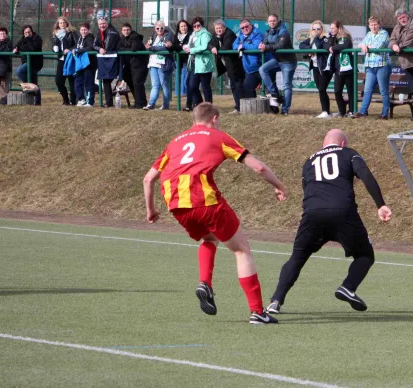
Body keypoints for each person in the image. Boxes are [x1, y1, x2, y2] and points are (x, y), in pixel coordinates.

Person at [143, 103, 287, 325]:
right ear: (215, 118)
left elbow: (148, 178)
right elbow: (258, 167)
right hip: (204, 201)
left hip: (176, 205)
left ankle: (205, 283)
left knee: (209, 237)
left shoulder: (175, 141)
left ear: (193, 121)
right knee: (241, 250)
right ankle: (257, 311)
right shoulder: (217, 136)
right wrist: (279, 185)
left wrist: (151, 210)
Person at [267, 128, 392, 314]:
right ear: (343, 144)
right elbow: (366, 175)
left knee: (297, 258)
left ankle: (275, 301)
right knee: (365, 255)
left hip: (312, 214)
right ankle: (348, 287)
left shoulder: (308, 161)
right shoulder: (349, 153)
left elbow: (307, 189)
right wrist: (380, 204)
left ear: (323, 145)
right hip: (343, 212)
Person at [258, 14, 297, 115]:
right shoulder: (268, 32)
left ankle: (285, 110)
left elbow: (281, 45)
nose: (272, 22)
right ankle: (275, 94)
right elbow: (265, 42)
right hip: (277, 60)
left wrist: (266, 47)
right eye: (270, 21)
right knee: (262, 69)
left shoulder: (284, 30)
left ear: (277, 21)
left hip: (288, 61)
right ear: (268, 22)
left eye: (274, 20)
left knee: (286, 86)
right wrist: (261, 45)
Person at [353, 16, 391, 120]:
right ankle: (362, 112)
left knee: (383, 91)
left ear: (379, 25)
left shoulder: (384, 33)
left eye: (375, 24)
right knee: (367, 90)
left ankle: (384, 114)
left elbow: (378, 46)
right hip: (370, 66)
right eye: (371, 25)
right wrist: (363, 45)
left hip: (382, 65)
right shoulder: (369, 34)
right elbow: (361, 44)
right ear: (369, 26)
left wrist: (366, 46)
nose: (373, 27)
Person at [299, 20, 332, 118]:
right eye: (314, 29)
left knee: (322, 88)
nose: (316, 30)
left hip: (325, 67)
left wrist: (316, 39)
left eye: (319, 28)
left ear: (322, 29)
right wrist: (310, 49)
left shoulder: (325, 38)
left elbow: (322, 46)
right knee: (321, 89)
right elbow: (301, 46)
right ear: (311, 30)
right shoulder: (310, 39)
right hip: (315, 67)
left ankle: (325, 112)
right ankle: (326, 111)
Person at [210, 19, 245, 114]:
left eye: (220, 28)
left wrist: (216, 47)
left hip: (235, 65)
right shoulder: (215, 35)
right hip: (227, 65)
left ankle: (240, 107)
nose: (218, 30)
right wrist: (212, 47)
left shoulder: (229, 34)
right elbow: (209, 44)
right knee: (234, 86)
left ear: (224, 27)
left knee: (237, 85)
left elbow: (225, 47)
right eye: (217, 28)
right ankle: (239, 106)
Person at [144, 21, 175, 110]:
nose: (160, 30)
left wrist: (152, 48)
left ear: (164, 28)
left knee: (164, 84)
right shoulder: (153, 36)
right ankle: (151, 104)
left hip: (163, 63)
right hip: (153, 62)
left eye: (161, 28)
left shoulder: (168, 35)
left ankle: (165, 105)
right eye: (157, 28)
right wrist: (148, 46)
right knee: (155, 85)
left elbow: (165, 47)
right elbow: (150, 46)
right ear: (155, 29)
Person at [327, 20, 355, 118]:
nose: (331, 30)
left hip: (348, 69)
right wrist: (331, 43)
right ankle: (342, 111)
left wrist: (334, 48)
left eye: (333, 28)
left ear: (339, 28)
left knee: (350, 91)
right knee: (337, 91)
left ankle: (351, 111)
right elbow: (327, 45)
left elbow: (345, 45)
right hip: (337, 69)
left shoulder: (346, 36)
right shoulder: (331, 37)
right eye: (330, 28)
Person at [117, 23, 148, 109]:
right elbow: (118, 48)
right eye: (124, 30)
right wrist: (125, 49)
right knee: (129, 80)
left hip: (140, 64)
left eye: (128, 30)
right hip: (129, 65)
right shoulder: (122, 38)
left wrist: (124, 49)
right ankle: (141, 101)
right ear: (121, 31)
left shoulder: (135, 37)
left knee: (137, 83)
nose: (126, 32)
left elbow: (134, 49)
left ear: (130, 30)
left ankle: (139, 103)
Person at [185, 17, 214, 108]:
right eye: (194, 26)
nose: (196, 27)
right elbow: (189, 46)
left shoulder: (205, 34)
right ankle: (200, 104)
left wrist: (192, 50)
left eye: (198, 25)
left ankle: (209, 106)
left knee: (205, 86)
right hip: (194, 64)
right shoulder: (193, 35)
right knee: (192, 86)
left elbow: (204, 46)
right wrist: (185, 48)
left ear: (202, 25)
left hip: (204, 63)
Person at [232, 19, 264, 98]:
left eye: (246, 26)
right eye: (242, 28)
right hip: (249, 70)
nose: (245, 29)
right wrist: (240, 46)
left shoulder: (258, 33)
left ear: (251, 26)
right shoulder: (241, 35)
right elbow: (234, 45)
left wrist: (243, 46)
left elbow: (255, 46)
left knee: (270, 90)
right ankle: (254, 109)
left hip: (260, 68)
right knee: (247, 89)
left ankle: (279, 108)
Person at [13, 25, 43, 105]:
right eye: (25, 32)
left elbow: (34, 48)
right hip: (26, 62)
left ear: (32, 31)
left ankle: (29, 86)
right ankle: (37, 102)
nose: (27, 34)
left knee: (19, 71)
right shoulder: (22, 39)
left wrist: (28, 39)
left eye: (29, 32)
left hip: (35, 63)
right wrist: (15, 49)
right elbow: (16, 46)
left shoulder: (37, 38)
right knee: (34, 83)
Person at [93, 17, 120, 108]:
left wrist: (102, 49)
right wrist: (99, 48)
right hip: (105, 59)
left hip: (114, 59)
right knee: (106, 80)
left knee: (107, 80)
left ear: (107, 24)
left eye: (104, 23)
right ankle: (109, 102)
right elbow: (94, 45)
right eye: (100, 24)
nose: (102, 25)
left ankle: (109, 102)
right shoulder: (99, 32)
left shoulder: (112, 32)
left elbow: (108, 47)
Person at [52, 16, 77, 105]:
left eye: (63, 22)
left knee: (72, 82)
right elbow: (54, 46)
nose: (62, 24)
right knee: (59, 81)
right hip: (61, 60)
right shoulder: (56, 34)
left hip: (70, 59)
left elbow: (77, 44)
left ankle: (73, 101)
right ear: (58, 24)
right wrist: (54, 49)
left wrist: (69, 50)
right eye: (60, 23)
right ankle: (65, 100)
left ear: (67, 23)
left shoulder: (72, 32)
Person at [73, 22, 97, 107]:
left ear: (88, 30)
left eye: (85, 29)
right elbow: (75, 47)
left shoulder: (90, 37)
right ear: (80, 30)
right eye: (82, 29)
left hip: (89, 65)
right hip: (80, 65)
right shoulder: (79, 38)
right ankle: (81, 99)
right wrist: (73, 50)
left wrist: (78, 51)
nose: (83, 31)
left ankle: (90, 102)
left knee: (89, 83)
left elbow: (90, 47)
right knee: (78, 81)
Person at [172, 19, 193, 110]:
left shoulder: (191, 35)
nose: (183, 28)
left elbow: (189, 46)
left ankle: (189, 103)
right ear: (179, 28)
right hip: (179, 61)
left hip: (189, 61)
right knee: (182, 80)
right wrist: (180, 46)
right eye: (181, 26)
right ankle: (185, 101)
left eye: (185, 26)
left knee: (188, 82)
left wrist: (181, 46)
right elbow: (174, 47)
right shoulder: (176, 36)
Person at [0, 27, 13, 105]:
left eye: (4, 33)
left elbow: (6, 54)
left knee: (5, 85)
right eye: (1, 33)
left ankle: (4, 99)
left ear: (6, 35)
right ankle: (5, 98)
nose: (2, 35)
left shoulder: (8, 43)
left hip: (6, 67)